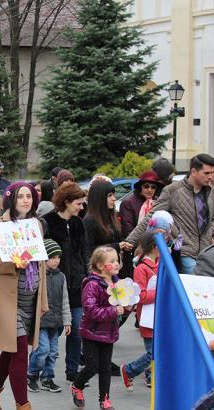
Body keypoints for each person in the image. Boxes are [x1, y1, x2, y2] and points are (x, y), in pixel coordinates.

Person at [0, 181, 48, 410]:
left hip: (31, 298)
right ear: (11, 199)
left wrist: (43, 301)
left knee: (10, 352)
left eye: (29, 196)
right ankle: (23, 405)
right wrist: (10, 263)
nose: (26, 200)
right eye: (20, 196)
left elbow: (42, 265)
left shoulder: (36, 224)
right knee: (19, 353)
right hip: (7, 300)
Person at [125, 154, 214, 274]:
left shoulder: (211, 192)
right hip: (184, 252)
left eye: (212, 173)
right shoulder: (172, 190)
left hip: (205, 254)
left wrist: (210, 233)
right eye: (207, 173)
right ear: (194, 171)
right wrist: (129, 241)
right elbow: (151, 217)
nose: (211, 177)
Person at [42, 182, 89, 383]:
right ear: (67, 202)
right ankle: (44, 372)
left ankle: (72, 371)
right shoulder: (47, 222)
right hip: (53, 286)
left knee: (77, 330)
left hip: (77, 285)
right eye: (78, 203)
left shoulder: (79, 223)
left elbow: (85, 252)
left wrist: (87, 276)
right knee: (55, 331)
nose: (81, 207)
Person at [71, 246, 127, 410]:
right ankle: (77, 385)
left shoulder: (117, 282)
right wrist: (113, 311)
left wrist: (128, 305)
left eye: (117, 260)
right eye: (112, 261)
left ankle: (104, 400)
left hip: (109, 332)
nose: (116, 263)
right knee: (92, 366)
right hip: (91, 332)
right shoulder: (92, 285)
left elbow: (122, 304)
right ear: (101, 266)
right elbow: (90, 310)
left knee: (106, 368)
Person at [27, 239, 71, 394]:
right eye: (53, 257)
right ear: (43, 258)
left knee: (53, 352)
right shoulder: (37, 276)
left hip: (56, 321)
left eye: (58, 257)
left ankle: (47, 377)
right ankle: (32, 374)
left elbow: (65, 300)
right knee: (43, 349)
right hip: (41, 321)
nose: (57, 261)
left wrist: (67, 321)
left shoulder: (61, 277)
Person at [120, 231, 157, 391]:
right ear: (155, 247)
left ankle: (150, 375)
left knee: (158, 351)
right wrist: (160, 291)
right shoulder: (142, 268)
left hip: (159, 315)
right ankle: (129, 370)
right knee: (153, 354)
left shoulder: (159, 263)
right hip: (148, 317)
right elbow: (140, 296)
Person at [119, 170, 161, 279]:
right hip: (134, 251)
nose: (149, 190)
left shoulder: (157, 202)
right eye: (146, 186)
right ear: (140, 187)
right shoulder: (128, 202)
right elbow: (128, 229)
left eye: (153, 187)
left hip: (154, 251)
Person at [84, 180, 122, 255]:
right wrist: (116, 246)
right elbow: (89, 249)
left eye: (114, 195)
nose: (114, 198)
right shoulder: (90, 220)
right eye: (109, 195)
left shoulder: (111, 216)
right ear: (99, 198)